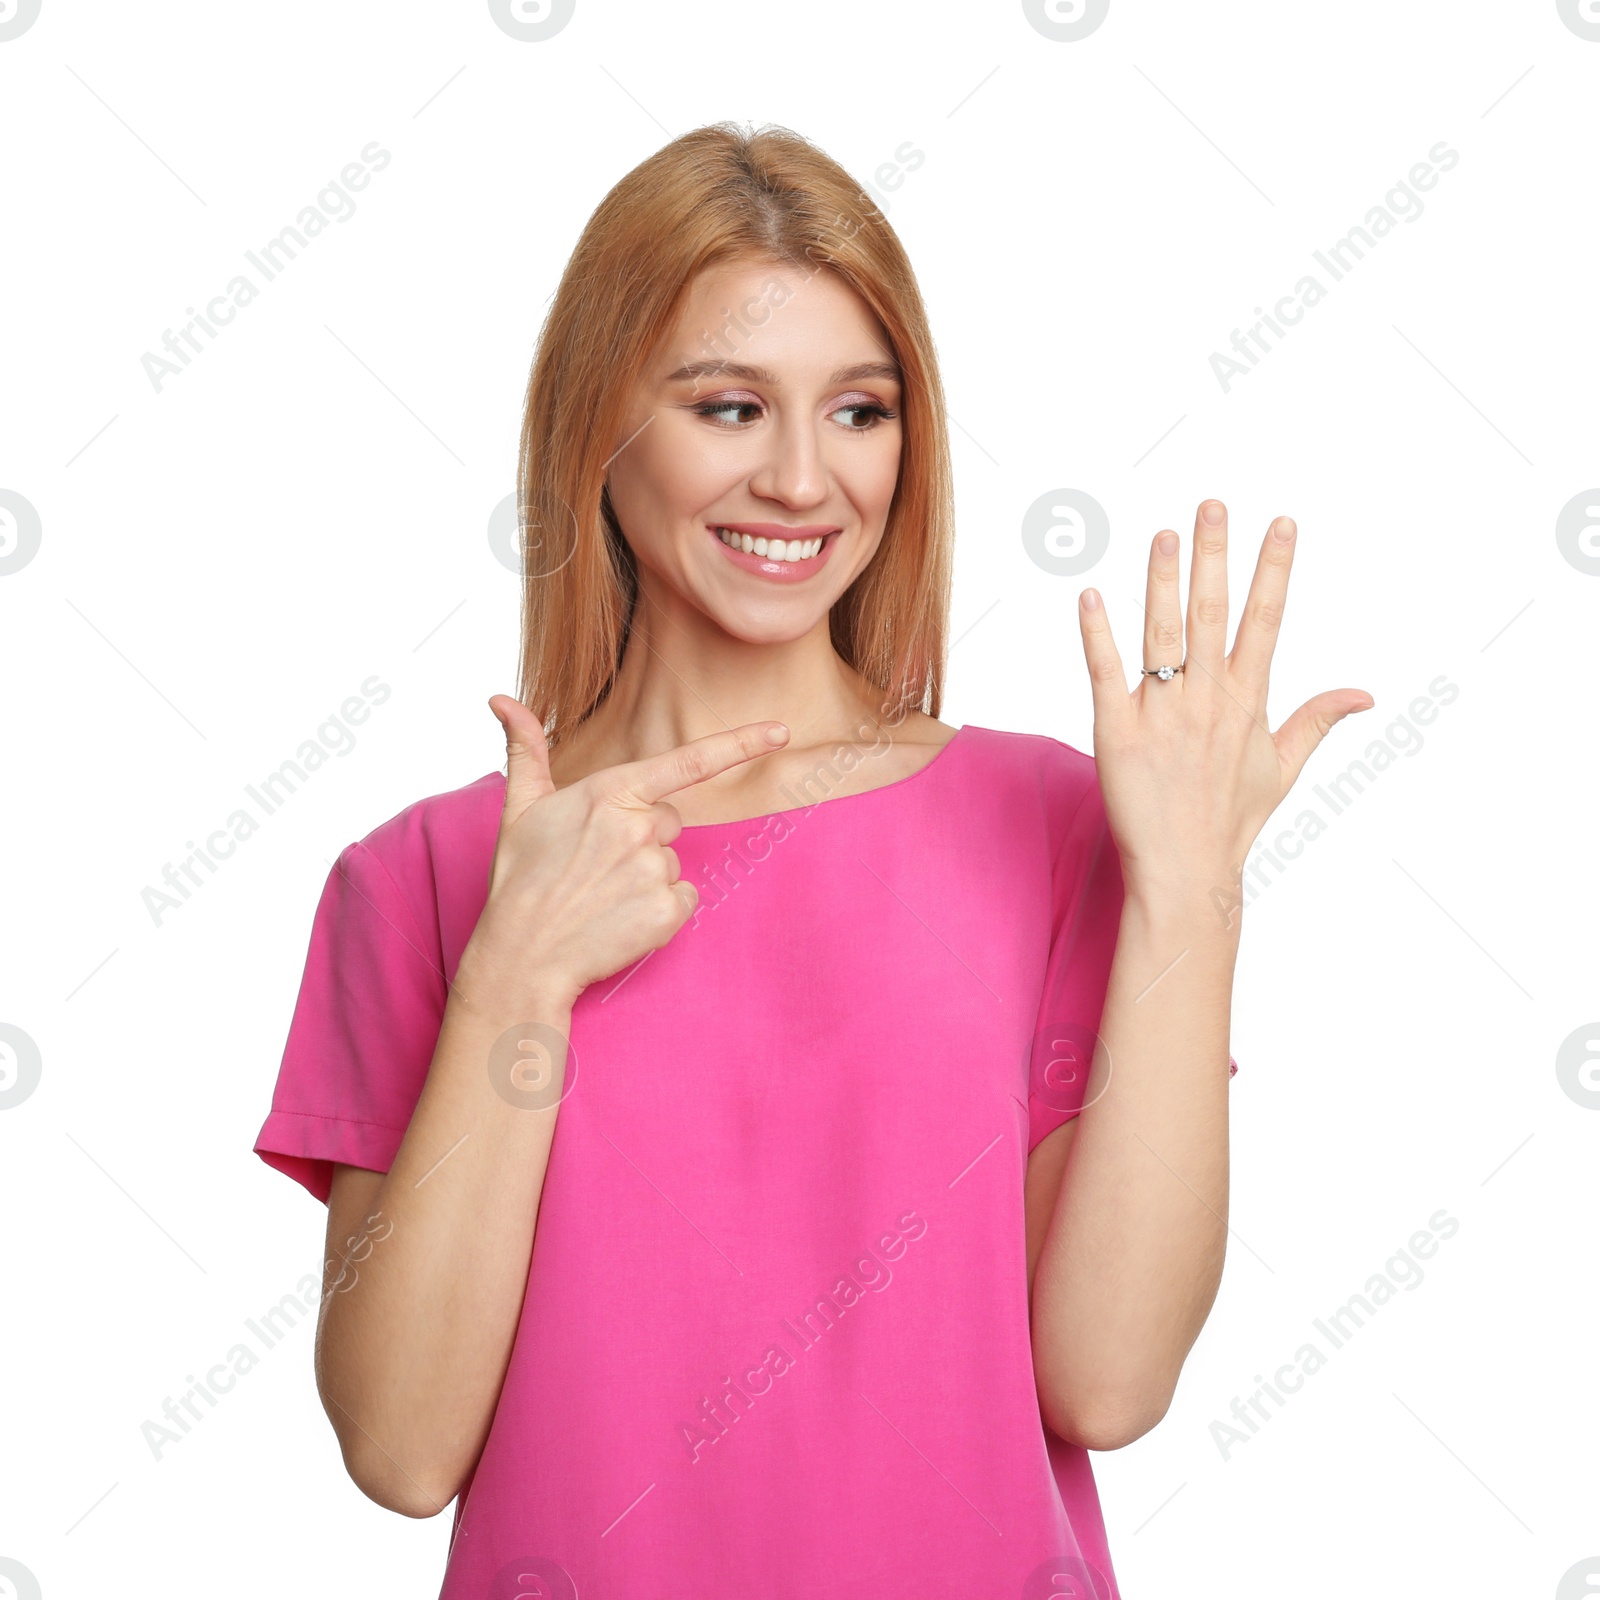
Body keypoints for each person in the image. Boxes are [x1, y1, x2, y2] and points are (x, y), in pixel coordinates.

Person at [252, 120, 1372, 1600]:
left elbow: (1107, 1383)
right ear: (599, 426)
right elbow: (399, 1451)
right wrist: (512, 982)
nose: (801, 479)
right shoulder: (434, 874)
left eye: (860, 411)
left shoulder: (1046, 825)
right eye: (728, 407)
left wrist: (1193, 890)